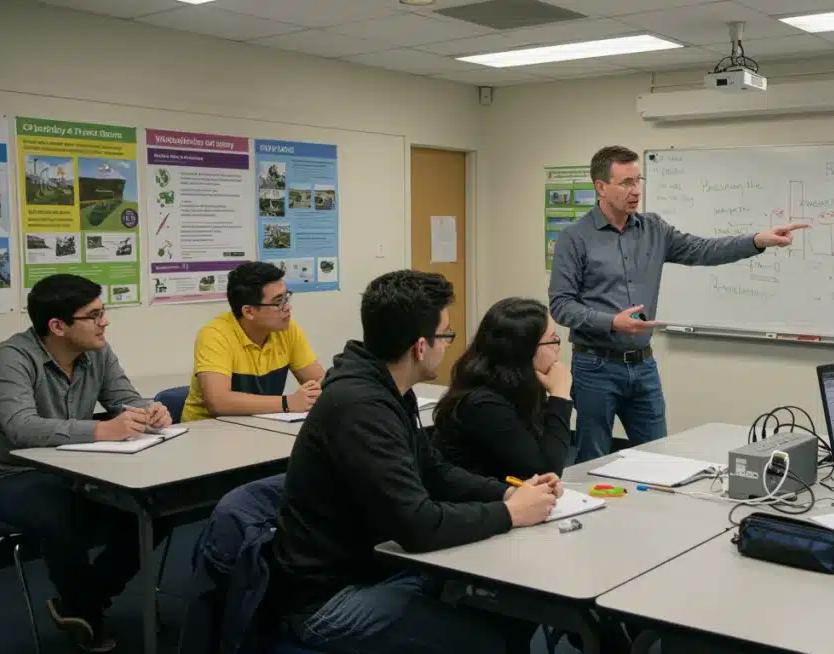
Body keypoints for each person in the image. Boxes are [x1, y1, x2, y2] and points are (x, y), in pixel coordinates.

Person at [269, 270, 559, 653]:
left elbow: (434, 471)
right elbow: (417, 525)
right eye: (446, 336)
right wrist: (511, 514)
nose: (449, 346)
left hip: (377, 567)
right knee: (494, 639)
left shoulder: (385, 388)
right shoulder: (361, 408)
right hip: (330, 601)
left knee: (511, 611)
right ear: (421, 346)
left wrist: (508, 493)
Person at [548, 145, 807, 463]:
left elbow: (703, 250)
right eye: (626, 182)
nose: (636, 190)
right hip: (595, 366)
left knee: (660, 456)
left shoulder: (653, 229)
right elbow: (561, 305)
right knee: (592, 457)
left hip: (643, 365)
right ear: (601, 187)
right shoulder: (575, 237)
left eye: (638, 180)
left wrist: (756, 241)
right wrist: (611, 321)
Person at [0, 274, 172, 652]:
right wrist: (103, 431)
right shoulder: (12, 358)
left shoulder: (97, 351)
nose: (105, 322)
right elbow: (21, 428)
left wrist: (149, 412)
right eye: (94, 315)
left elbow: (126, 399)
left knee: (157, 504)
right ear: (57, 326)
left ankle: (82, 602)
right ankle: (89, 610)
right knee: (56, 503)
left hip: (75, 468)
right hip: (8, 476)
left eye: (103, 312)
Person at [433, 297, 574, 481]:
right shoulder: (484, 403)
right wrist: (560, 395)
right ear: (525, 351)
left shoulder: (523, 385)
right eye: (552, 340)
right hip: (470, 505)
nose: (557, 348)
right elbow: (546, 471)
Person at [181, 261, 324, 422]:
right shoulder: (215, 335)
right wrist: (287, 402)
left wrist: (317, 391)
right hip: (207, 432)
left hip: (262, 426)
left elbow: (321, 382)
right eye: (278, 301)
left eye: (287, 297)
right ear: (248, 311)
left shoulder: (287, 329)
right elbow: (218, 402)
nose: (288, 307)